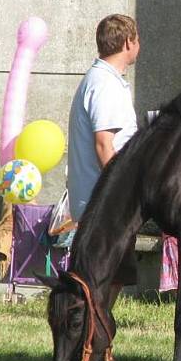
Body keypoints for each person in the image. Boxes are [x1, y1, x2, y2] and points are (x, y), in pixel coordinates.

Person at [67, 14, 140, 223]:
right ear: (128, 42)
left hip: (99, 206)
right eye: (138, 40)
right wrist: (124, 191)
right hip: (104, 208)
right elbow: (103, 146)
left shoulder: (102, 79)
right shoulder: (105, 84)